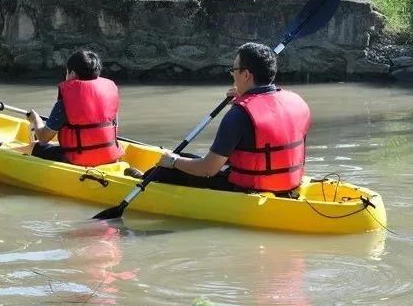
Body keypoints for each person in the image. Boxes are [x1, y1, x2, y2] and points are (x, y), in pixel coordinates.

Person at [151, 42, 311, 194]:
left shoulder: (237, 115)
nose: (232, 75)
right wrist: (246, 97)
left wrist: (172, 161)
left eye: (234, 69)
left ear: (246, 74)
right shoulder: (298, 102)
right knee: (187, 159)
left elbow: (208, 169)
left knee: (166, 170)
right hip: (289, 185)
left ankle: (141, 181)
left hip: (248, 189)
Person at [24, 50, 124, 167]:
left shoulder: (65, 103)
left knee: (36, 146)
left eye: (66, 72)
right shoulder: (109, 95)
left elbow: (43, 138)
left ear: (72, 74)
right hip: (109, 159)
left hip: (78, 161)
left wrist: (35, 120)